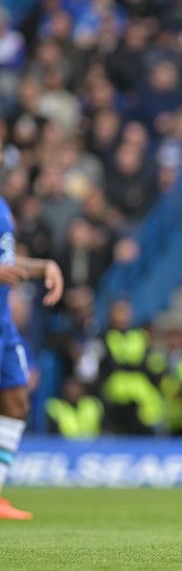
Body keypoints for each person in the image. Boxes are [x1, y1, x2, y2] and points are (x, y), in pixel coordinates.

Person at [0, 196, 64, 520]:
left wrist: (42, 267)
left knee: (17, 403)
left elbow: (7, 264)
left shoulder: (2, 207)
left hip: (4, 326)